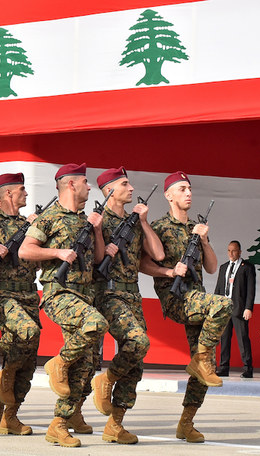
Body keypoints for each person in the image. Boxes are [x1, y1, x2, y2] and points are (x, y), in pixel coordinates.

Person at [18, 163, 108, 448]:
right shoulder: (49, 217)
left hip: (85, 294)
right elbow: (25, 250)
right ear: (70, 185)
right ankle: (58, 362)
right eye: (85, 181)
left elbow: (97, 259)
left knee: (85, 366)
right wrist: (57, 252)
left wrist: (97, 230)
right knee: (96, 324)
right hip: (60, 293)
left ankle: (59, 424)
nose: (89, 186)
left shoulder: (85, 220)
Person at [140, 171, 232, 443]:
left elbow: (213, 267)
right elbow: (142, 264)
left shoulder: (196, 229)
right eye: (181, 189)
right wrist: (169, 272)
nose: (188, 193)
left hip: (198, 299)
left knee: (206, 370)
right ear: (168, 195)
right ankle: (200, 359)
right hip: (176, 298)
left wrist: (203, 239)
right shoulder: (157, 227)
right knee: (224, 304)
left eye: (189, 189)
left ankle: (186, 423)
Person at [89, 167, 164, 444]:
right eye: (124, 184)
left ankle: (115, 424)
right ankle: (106, 379)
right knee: (138, 341)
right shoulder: (98, 219)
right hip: (108, 294)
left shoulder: (134, 222)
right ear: (109, 190)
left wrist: (144, 222)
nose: (131, 189)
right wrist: (98, 234)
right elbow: (96, 261)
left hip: (132, 295)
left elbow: (158, 254)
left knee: (137, 362)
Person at [0, 173, 41, 436]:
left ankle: (7, 414)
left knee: (28, 357)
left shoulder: (29, 223)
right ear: (8, 194)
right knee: (27, 332)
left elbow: (36, 259)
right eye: (21, 190)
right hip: (2, 293)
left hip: (29, 293)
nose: (26, 194)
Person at [214, 240, 256, 378]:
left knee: (243, 339)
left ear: (239, 251)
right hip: (224, 309)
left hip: (239, 309)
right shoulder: (223, 267)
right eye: (229, 251)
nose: (231, 253)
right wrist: (215, 307)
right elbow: (219, 288)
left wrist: (248, 308)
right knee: (224, 339)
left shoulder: (247, 267)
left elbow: (251, 290)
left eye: (234, 250)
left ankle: (247, 368)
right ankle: (224, 367)